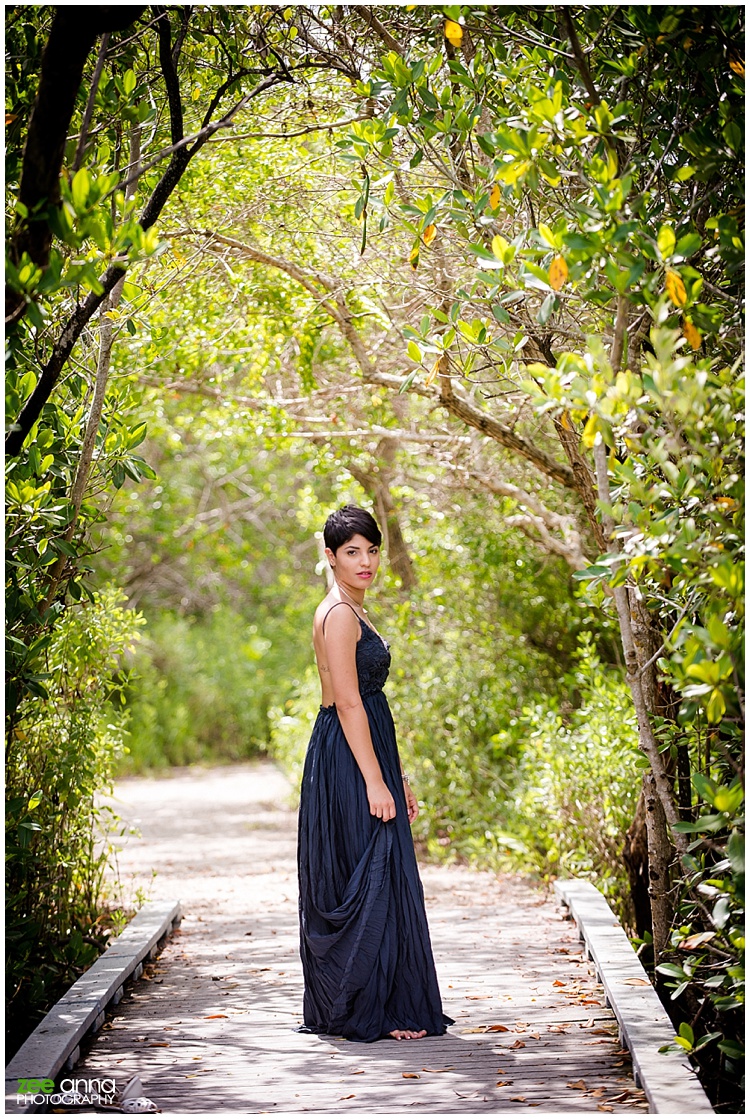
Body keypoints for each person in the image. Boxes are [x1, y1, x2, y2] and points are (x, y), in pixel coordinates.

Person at [297, 504, 453, 1043]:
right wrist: (373, 779)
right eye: (351, 553)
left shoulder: (357, 610)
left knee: (379, 866)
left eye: (371, 550)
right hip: (347, 753)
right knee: (371, 870)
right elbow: (347, 703)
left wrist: (396, 774)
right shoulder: (339, 614)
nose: (365, 562)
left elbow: (369, 704)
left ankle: (383, 1002)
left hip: (366, 747)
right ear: (330, 557)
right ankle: (372, 1009)